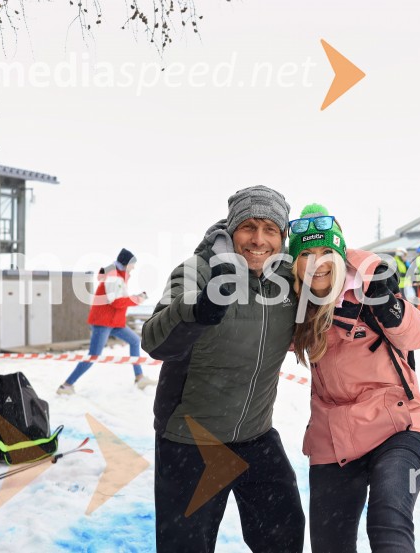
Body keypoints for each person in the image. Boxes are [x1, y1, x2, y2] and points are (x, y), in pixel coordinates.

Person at [141, 186, 305, 553]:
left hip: (255, 435)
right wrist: (198, 311)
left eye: (270, 229)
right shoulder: (199, 270)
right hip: (191, 440)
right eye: (249, 226)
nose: (259, 239)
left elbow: (329, 263)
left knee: (285, 532)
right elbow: (155, 341)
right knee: (186, 546)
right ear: (232, 230)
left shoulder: (289, 280)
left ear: (282, 237)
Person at [288, 204, 420, 553]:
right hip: (332, 440)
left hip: (397, 428)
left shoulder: (370, 289)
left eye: (326, 252)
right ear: (295, 264)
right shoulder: (292, 306)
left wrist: (391, 306)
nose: (318, 261)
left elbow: (419, 338)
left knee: (389, 523)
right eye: (306, 253)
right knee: (330, 545)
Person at [57, 248, 155, 394]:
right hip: (103, 322)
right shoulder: (114, 276)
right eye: (132, 264)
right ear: (126, 263)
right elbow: (115, 302)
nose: (134, 267)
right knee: (94, 355)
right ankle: (66, 386)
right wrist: (137, 299)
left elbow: (118, 298)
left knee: (134, 341)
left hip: (115, 322)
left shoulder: (119, 276)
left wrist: (135, 297)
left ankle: (139, 378)